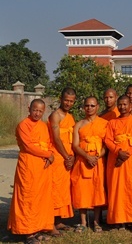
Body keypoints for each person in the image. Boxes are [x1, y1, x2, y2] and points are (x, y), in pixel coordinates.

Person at [8, 99, 55, 243]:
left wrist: (50, 153)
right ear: (29, 108)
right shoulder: (23, 125)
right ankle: (28, 233)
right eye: (35, 110)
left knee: (40, 198)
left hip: (42, 167)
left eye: (40, 111)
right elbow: (28, 146)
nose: (37, 113)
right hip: (28, 166)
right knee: (27, 197)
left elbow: (49, 143)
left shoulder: (43, 126)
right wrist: (48, 154)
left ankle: (38, 229)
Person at [104, 95, 132, 231]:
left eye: (125, 104)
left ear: (130, 105)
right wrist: (118, 151)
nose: (122, 107)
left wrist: (126, 154)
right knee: (117, 189)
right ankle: (118, 220)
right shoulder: (112, 123)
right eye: (120, 104)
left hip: (131, 160)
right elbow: (108, 140)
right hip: (115, 160)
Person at [71, 96, 108, 233]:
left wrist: (97, 157)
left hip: (98, 161)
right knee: (82, 191)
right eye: (87, 106)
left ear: (97, 106)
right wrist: (87, 156)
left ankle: (96, 221)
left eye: (92, 106)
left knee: (97, 190)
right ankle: (82, 222)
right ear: (83, 107)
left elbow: (106, 144)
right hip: (82, 160)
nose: (89, 108)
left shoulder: (104, 123)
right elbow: (75, 145)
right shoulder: (79, 124)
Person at [48, 87, 76, 233]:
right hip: (58, 156)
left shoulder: (70, 117)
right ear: (61, 99)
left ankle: (59, 220)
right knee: (54, 188)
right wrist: (66, 156)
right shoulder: (55, 115)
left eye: (71, 101)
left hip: (68, 156)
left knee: (63, 190)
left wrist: (72, 157)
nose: (68, 103)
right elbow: (56, 138)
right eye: (66, 100)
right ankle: (50, 223)